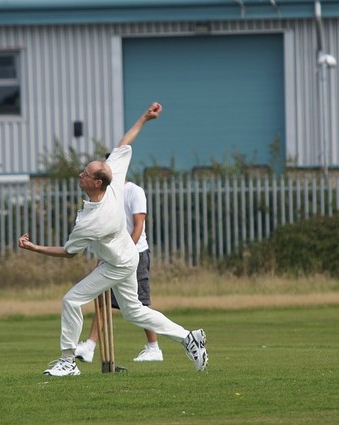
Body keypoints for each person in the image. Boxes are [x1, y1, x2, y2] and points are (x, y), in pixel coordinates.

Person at [18, 102, 207, 376]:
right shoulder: (113, 177)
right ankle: (190, 338)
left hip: (117, 265)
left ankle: (68, 362)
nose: (80, 174)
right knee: (134, 313)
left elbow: (69, 253)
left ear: (97, 183)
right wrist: (145, 118)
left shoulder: (92, 220)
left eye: (85, 173)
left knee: (71, 300)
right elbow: (123, 144)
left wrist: (34, 247)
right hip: (126, 257)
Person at [75, 180, 163, 363]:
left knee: (140, 304)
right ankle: (89, 346)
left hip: (135, 254)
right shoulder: (106, 195)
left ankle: (154, 348)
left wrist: (126, 252)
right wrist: (103, 256)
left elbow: (138, 224)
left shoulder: (134, 191)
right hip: (113, 257)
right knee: (103, 299)